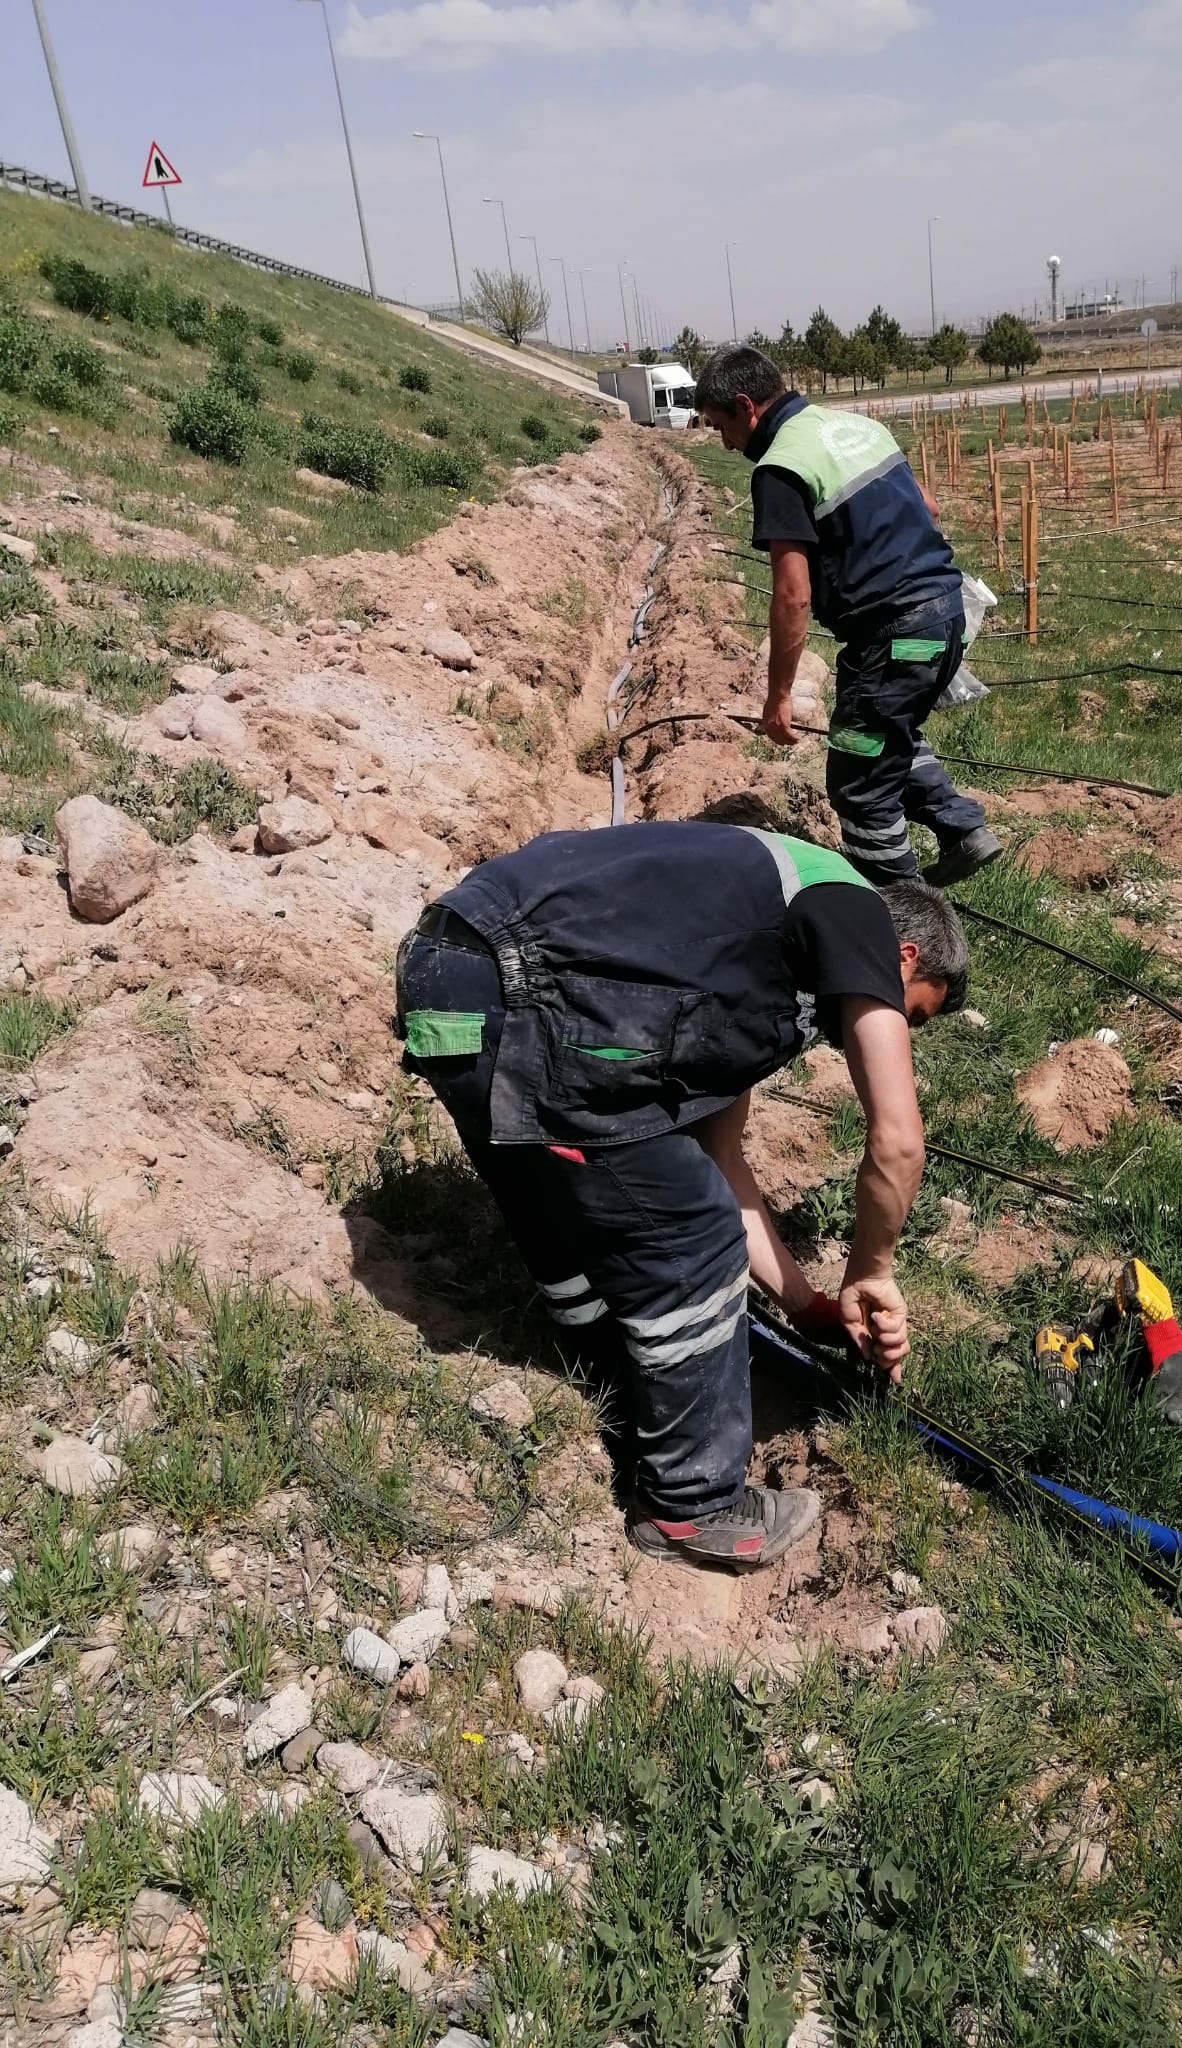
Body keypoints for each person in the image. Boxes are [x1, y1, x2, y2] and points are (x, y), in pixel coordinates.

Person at [395, 820, 968, 1570]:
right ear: (904, 957)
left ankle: (604, 1378)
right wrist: (871, 1271)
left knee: (571, 1205)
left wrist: (808, 1308)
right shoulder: (852, 906)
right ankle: (692, 1509)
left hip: (447, 981)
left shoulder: (745, 944)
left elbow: (720, 1156)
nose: (893, 1026)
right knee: (692, 1238)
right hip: (523, 996)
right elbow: (898, 1141)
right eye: (910, 1011)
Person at [695, 343, 1003, 889]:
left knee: (859, 784)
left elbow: (792, 596)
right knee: (886, 734)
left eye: (722, 426)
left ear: (746, 406)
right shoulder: (858, 428)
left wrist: (778, 696)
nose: (724, 442)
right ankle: (962, 829)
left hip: (895, 635)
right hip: (947, 612)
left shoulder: (780, 467)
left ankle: (904, 913)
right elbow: (929, 508)